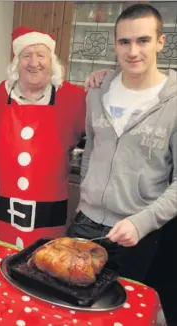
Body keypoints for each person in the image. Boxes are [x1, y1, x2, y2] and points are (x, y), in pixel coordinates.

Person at [0, 27, 87, 248]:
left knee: (45, 269)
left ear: (52, 61)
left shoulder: (75, 98)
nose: (34, 62)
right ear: (16, 62)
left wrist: (104, 81)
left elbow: (102, 144)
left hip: (49, 214)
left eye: (41, 55)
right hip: (1, 212)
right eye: (26, 55)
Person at [67, 4, 176, 283]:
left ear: (160, 42)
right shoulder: (97, 91)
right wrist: (84, 200)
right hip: (85, 223)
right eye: (124, 41)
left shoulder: (173, 102)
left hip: (138, 232)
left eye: (143, 40)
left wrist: (141, 224)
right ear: (115, 44)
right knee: (70, 306)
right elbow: (92, 149)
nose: (133, 51)